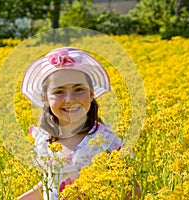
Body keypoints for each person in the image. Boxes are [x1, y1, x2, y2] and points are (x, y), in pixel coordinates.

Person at [19, 47, 131, 199]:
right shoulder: (45, 139)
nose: (70, 99)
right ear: (45, 98)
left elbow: (131, 189)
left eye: (79, 89)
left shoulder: (106, 141)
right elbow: (51, 183)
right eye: (59, 91)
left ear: (91, 94)